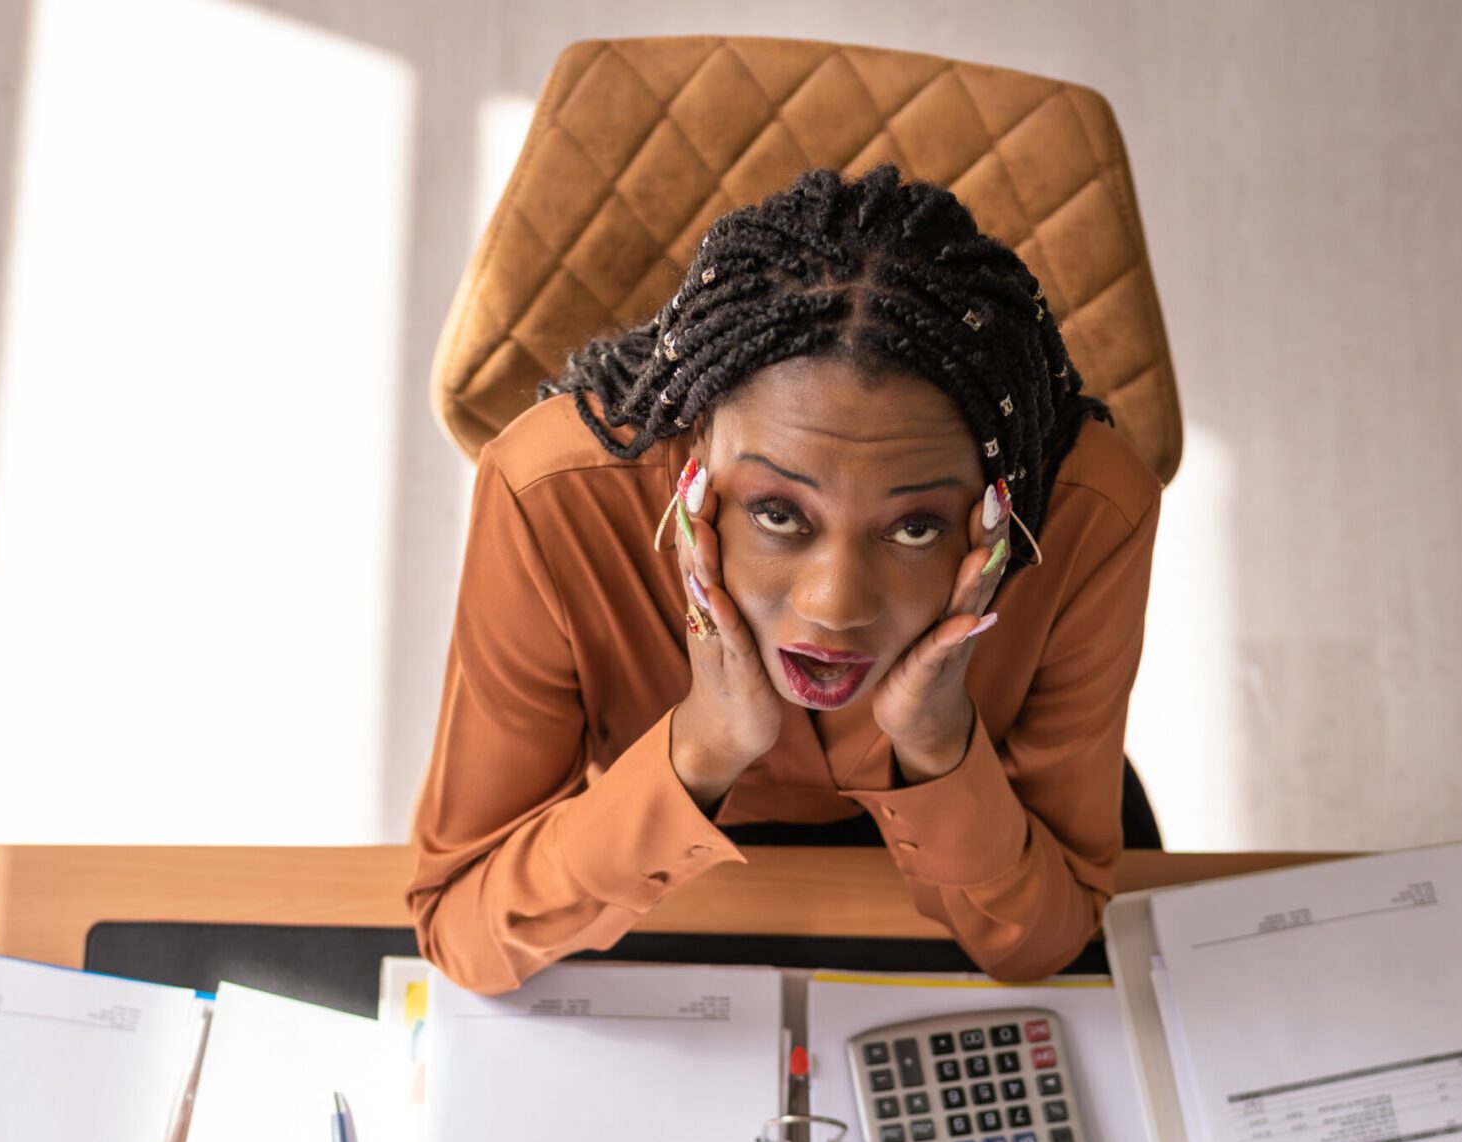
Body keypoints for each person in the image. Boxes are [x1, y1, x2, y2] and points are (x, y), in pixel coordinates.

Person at [407, 164, 1162, 992]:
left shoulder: (1087, 511)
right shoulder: (552, 497)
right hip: (662, 851)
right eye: (777, 513)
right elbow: (463, 927)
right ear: (696, 448)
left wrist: (940, 747)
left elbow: (1040, 941)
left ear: (993, 501)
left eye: (916, 527)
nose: (833, 608)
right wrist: (703, 746)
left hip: (979, 829)